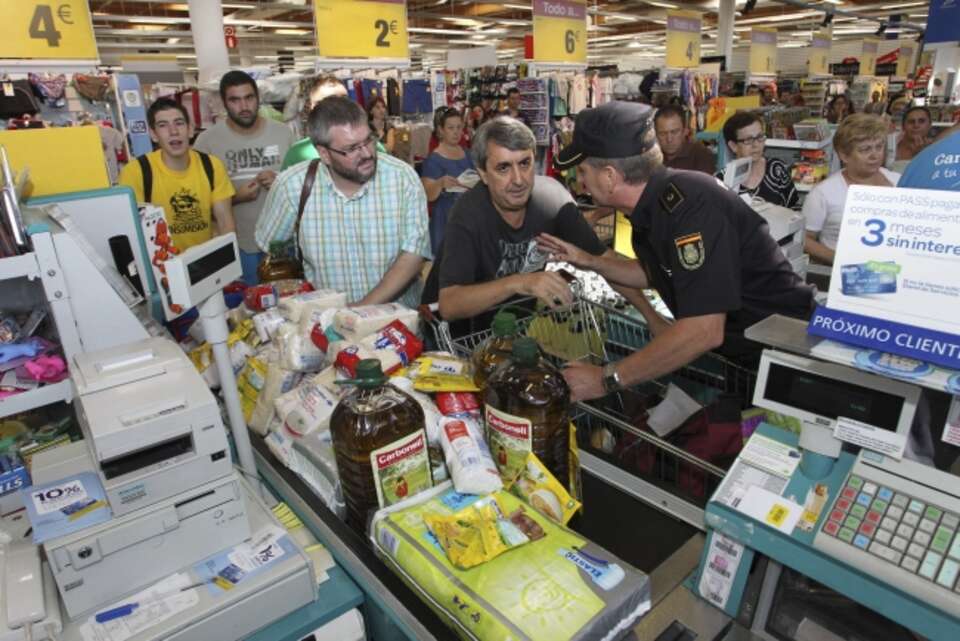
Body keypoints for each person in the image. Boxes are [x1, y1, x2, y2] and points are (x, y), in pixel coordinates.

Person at [541, 101, 814, 402]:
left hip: (786, 359)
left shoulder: (692, 206)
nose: (580, 182)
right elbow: (654, 272)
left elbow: (704, 330)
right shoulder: (655, 204)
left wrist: (606, 379)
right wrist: (589, 261)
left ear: (609, 176)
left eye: (582, 171)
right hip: (745, 357)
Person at [426, 116, 609, 323]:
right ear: (483, 174)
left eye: (525, 163)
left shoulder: (552, 199)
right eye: (503, 168)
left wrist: (652, 317)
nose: (519, 180)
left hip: (512, 329)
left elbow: (605, 260)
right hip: (456, 339)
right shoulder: (468, 213)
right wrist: (518, 283)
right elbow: (449, 305)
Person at [256, 97, 430, 308]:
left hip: (399, 326)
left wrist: (359, 310)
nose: (367, 154)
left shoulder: (403, 179)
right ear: (324, 154)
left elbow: (413, 254)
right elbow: (271, 249)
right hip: (326, 331)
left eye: (368, 140)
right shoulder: (291, 187)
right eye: (352, 148)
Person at [194, 70, 294, 284]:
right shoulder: (207, 142)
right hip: (239, 245)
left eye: (249, 98)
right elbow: (198, 207)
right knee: (246, 308)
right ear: (224, 103)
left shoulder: (283, 133)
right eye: (235, 100)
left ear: (258, 97)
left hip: (283, 244)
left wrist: (280, 182)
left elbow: (303, 186)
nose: (244, 106)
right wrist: (236, 198)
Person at [118, 98, 235, 252]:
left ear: (190, 129)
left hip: (206, 263)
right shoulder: (136, 172)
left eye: (179, 123)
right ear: (153, 134)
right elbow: (133, 232)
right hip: (162, 267)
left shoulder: (211, 165)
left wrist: (227, 263)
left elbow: (225, 222)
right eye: (163, 125)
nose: (173, 131)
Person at [803, 114, 900, 265]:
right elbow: (805, 239)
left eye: (879, 147)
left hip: (891, 269)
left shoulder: (898, 181)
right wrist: (838, 259)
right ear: (844, 155)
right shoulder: (824, 193)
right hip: (842, 275)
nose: (874, 155)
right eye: (865, 149)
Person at [717, 111, 799, 209]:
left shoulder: (776, 169)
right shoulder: (721, 181)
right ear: (733, 146)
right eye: (748, 140)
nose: (756, 145)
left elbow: (794, 208)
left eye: (760, 137)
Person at [421, 107, 474, 255]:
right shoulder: (433, 160)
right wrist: (440, 183)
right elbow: (427, 194)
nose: (456, 132)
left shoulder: (468, 153)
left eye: (459, 127)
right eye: (451, 128)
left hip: (468, 215)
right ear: (441, 130)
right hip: (445, 220)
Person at [280, 75, 348, 170]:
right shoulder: (298, 153)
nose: (340, 106)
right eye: (331, 100)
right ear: (313, 107)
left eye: (344, 100)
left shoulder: (367, 147)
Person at [654, 104, 715, 174]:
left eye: (674, 132)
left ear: (685, 131)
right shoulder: (649, 156)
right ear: (655, 134)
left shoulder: (700, 154)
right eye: (663, 133)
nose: (669, 139)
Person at [898, 123, 960, 190]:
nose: (916, 125)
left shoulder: (921, 160)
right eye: (911, 122)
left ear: (929, 126)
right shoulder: (918, 163)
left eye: (921, 121)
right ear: (903, 128)